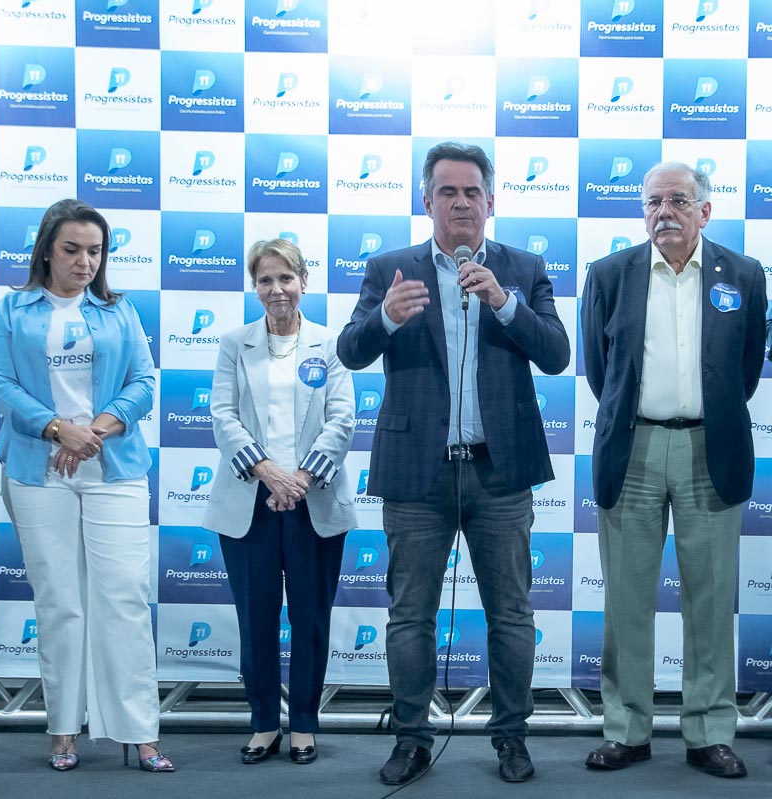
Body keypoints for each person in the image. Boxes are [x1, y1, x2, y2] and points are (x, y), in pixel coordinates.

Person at [336, 141, 570, 785]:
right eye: (447, 191)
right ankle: (411, 738)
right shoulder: (390, 268)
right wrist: (383, 317)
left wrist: (504, 302)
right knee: (411, 615)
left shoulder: (523, 267)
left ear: (491, 201)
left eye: (472, 192)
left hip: (499, 472)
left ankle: (512, 739)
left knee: (512, 614)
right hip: (418, 472)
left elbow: (555, 354)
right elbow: (350, 352)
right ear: (426, 199)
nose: (461, 202)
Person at [581, 162, 766, 779]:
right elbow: (599, 369)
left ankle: (709, 731)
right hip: (631, 448)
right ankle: (627, 729)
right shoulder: (610, 275)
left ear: (705, 211)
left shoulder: (742, 274)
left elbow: (743, 371)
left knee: (710, 601)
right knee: (627, 600)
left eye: (679, 201)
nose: (665, 212)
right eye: (654, 201)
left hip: (709, 449)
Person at [0, 199, 173, 772]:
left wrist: (94, 430)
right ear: (46, 249)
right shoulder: (12, 310)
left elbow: (144, 380)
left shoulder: (120, 310)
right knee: (61, 603)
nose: (85, 261)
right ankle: (63, 729)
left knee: (124, 598)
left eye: (95, 251)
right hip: (37, 471)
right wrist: (56, 429)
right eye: (72, 249)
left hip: (112, 468)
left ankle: (139, 733)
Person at [202, 238, 357, 765]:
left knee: (312, 618)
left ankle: (306, 723)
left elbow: (342, 421)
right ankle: (265, 720)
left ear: (304, 281)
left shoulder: (331, 345)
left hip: (313, 504)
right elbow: (222, 417)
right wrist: (269, 475)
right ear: (255, 286)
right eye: (265, 280)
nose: (277, 290)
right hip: (251, 505)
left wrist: (300, 481)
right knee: (257, 618)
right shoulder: (233, 344)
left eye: (286, 278)